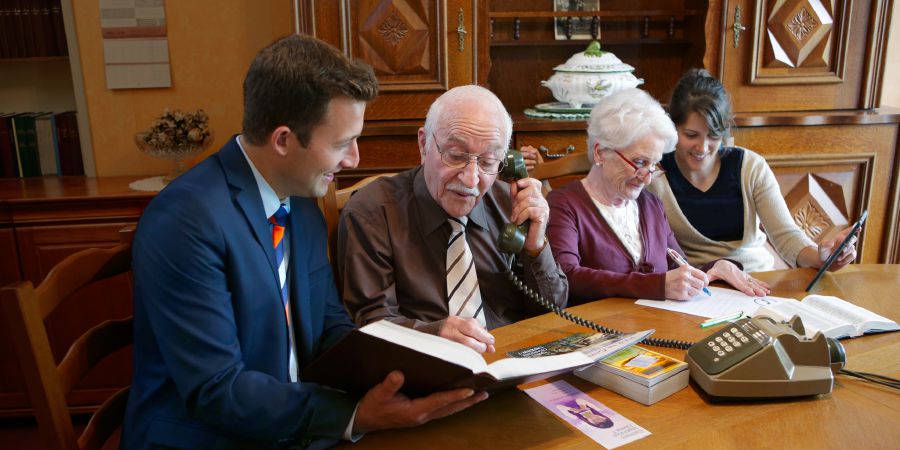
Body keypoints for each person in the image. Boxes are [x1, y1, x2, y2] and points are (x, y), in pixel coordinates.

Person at [122, 34, 486, 450]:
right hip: (212, 437)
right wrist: (354, 415)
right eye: (342, 143)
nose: (354, 160)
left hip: (299, 425)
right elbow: (217, 390)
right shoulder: (185, 221)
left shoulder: (300, 201)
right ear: (282, 140)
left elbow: (329, 327)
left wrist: (417, 358)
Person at [337, 85, 568, 354]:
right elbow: (371, 325)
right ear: (424, 144)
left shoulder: (511, 203)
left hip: (514, 360)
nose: (471, 179)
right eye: (456, 156)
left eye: (488, 162)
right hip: (424, 370)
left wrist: (535, 247)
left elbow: (553, 311)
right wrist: (433, 334)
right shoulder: (373, 211)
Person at [546, 88, 758, 305]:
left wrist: (714, 268)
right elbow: (566, 277)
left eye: (653, 165)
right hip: (595, 333)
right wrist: (656, 285)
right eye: (639, 163)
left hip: (654, 327)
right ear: (600, 152)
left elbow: (678, 267)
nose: (647, 179)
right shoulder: (563, 204)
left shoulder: (651, 205)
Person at [648, 69, 858, 274]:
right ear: (672, 128)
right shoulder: (655, 174)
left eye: (713, 136)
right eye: (691, 135)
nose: (703, 148)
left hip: (756, 277)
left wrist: (823, 258)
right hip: (700, 285)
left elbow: (786, 237)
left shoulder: (751, 168)